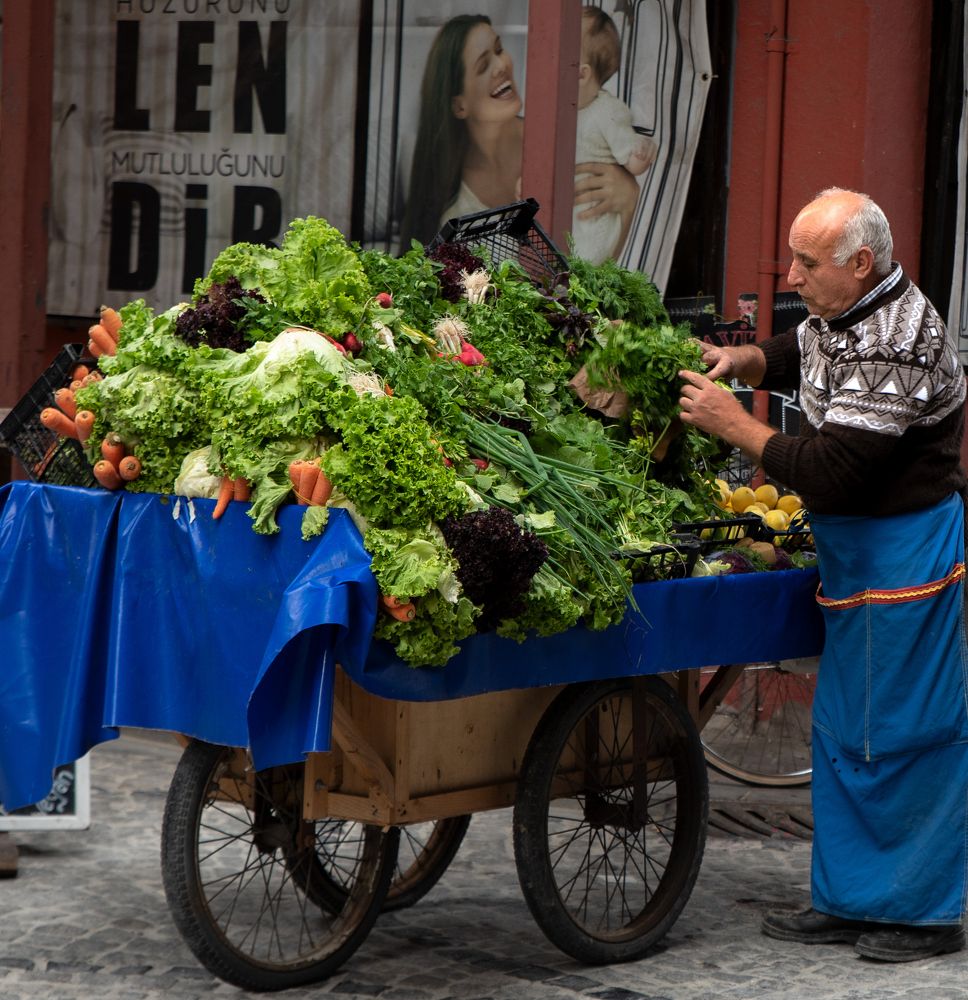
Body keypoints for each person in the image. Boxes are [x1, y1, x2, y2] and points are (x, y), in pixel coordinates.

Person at [678, 187, 968, 963]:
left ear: (861, 262)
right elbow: (805, 342)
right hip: (854, 556)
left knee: (908, 736)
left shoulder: (902, 336)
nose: (793, 274)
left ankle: (925, 914)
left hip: (904, 554)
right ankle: (847, 900)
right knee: (844, 733)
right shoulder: (847, 308)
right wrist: (745, 358)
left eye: (807, 262)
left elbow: (836, 470)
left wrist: (735, 421)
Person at [399, 13, 640, 256]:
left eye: (499, 49)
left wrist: (631, 201)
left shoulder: (572, 142)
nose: (502, 65)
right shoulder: (455, 213)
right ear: (459, 106)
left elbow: (604, 269)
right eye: (484, 66)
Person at [571, 7, 656, 264]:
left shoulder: (607, 111)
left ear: (582, 74)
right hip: (572, 209)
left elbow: (631, 157)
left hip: (595, 215)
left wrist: (641, 154)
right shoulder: (556, 112)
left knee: (584, 255)